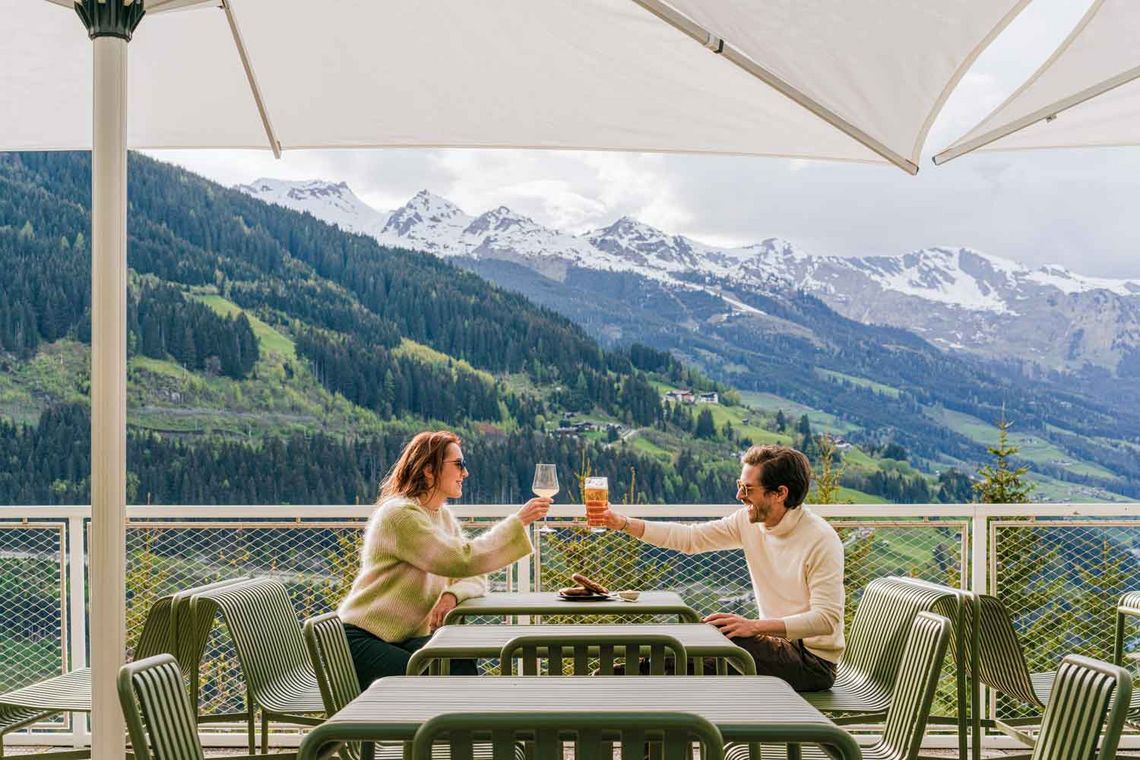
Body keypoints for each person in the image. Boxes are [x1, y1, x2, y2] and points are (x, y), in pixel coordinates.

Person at [600, 444, 843, 690]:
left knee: (713, 645)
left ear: (780, 493)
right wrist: (623, 523)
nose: (739, 496)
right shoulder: (748, 522)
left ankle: (619, 682)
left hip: (811, 663)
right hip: (771, 645)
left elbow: (825, 619)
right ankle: (626, 677)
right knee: (708, 633)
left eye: (747, 489)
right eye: (739, 485)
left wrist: (753, 626)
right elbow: (690, 538)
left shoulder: (820, 539)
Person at [338, 431, 550, 686]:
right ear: (429, 469)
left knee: (460, 659)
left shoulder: (440, 515)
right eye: (458, 464)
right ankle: (464, 725)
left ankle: (467, 725)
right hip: (363, 639)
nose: (465, 473)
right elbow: (461, 560)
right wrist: (518, 522)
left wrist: (452, 595)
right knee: (436, 682)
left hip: (402, 638)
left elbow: (474, 573)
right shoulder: (400, 515)